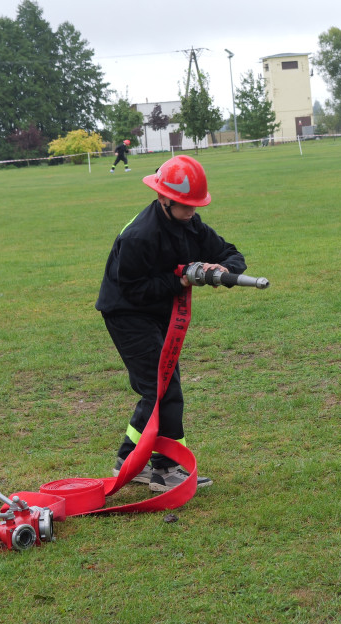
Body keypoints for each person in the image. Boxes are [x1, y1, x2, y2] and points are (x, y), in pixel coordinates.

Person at [96, 155, 247, 491]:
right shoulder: (140, 236)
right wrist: (180, 281)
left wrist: (222, 270)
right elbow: (132, 289)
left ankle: (129, 459)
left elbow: (230, 253)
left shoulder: (191, 224)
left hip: (157, 311)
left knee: (159, 388)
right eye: (183, 205)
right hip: (127, 312)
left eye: (195, 204)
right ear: (163, 198)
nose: (191, 211)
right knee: (163, 388)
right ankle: (164, 469)